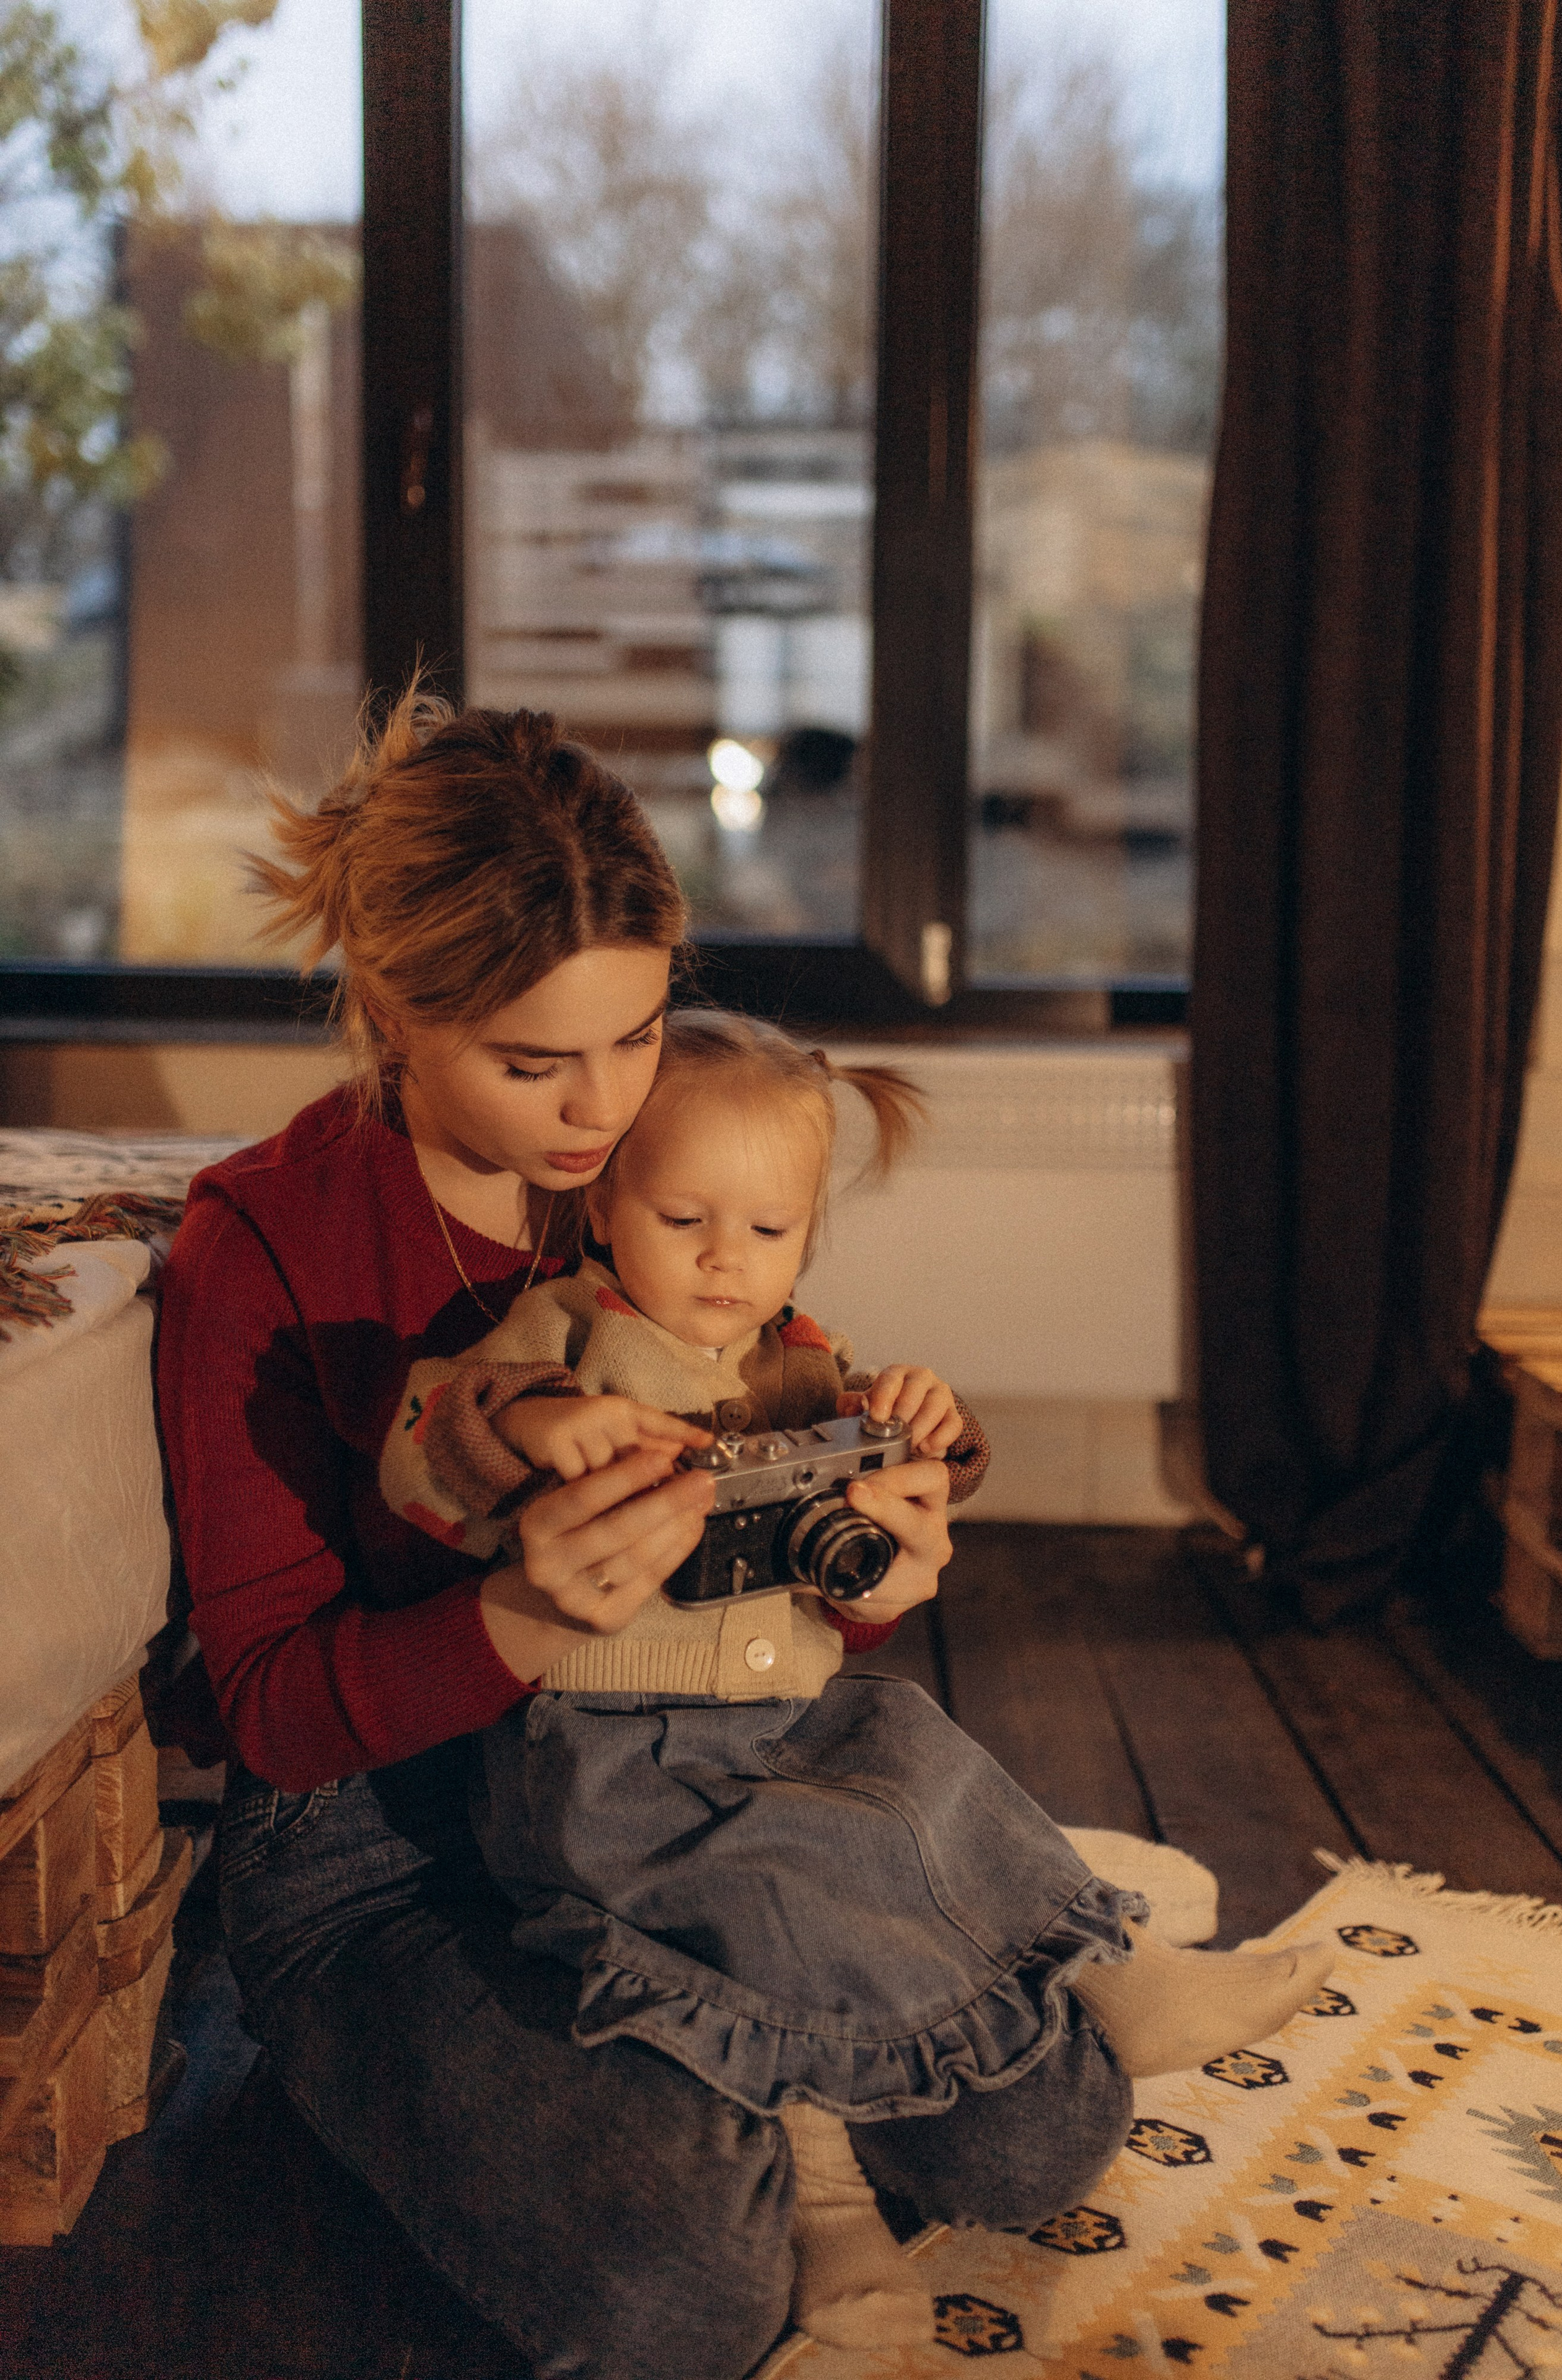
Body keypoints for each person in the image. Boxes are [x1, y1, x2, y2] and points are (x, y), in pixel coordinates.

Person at [157, 694, 1327, 2380]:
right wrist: (515, 1622)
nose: (597, 1109)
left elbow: (771, 1524)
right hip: (379, 1849)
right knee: (686, 2290)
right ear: (393, 1008)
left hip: (695, 1782)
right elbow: (263, 1708)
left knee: (1038, 2146)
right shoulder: (259, 1244)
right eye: (533, 1061)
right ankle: (446, 2073)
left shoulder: (658, 1170)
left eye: (635, 1034)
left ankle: (926, 1946)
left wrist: (884, 1554)